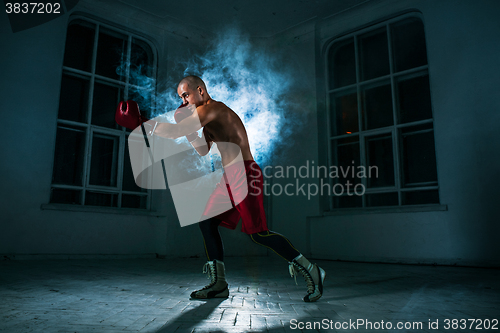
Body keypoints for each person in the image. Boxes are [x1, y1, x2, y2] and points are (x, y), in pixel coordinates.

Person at [117, 75, 326, 302]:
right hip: (229, 177)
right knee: (207, 222)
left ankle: (312, 270)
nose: (184, 101)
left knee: (258, 235)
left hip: (246, 174)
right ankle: (219, 284)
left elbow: (174, 132)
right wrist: (189, 130)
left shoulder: (214, 109)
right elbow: (202, 150)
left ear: (200, 90)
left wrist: (142, 123)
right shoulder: (203, 119)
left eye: (186, 95)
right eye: (181, 98)